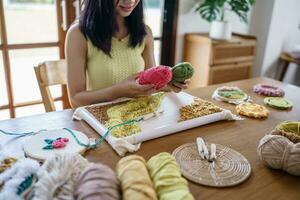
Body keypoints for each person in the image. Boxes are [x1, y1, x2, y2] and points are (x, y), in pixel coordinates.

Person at [65, 0, 189, 108]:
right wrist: (118, 91)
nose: (130, 1)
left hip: (141, 117)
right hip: (101, 122)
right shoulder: (78, 34)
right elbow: (76, 100)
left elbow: (150, 85)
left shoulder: (145, 33)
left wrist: (169, 84)